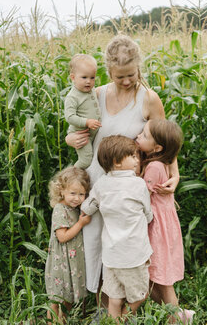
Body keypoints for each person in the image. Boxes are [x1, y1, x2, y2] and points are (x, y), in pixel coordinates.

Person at [65, 34, 180, 307]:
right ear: (109, 73)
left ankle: (129, 304)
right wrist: (70, 139)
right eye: (120, 77)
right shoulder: (96, 95)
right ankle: (100, 306)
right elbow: (76, 130)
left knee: (125, 245)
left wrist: (174, 175)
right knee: (95, 243)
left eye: (131, 74)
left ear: (138, 66)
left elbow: (166, 143)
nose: (127, 81)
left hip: (130, 189)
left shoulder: (149, 99)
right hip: (97, 182)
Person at [81, 135, 152, 323]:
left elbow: (87, 207)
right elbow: (148, 213)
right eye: (133, 156)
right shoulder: (138, 184)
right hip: (134, 255)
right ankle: (123, 319)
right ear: (117, 162)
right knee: (140, 295)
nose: (138, 159)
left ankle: (114, 321)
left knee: (114, 298)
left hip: (111, 256)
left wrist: (89, 209)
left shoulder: (102, 184)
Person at [136, 119, 195, 324]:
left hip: (156, 227)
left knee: (162, 278)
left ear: (157, 148)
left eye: (143, 136)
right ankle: (177, 314)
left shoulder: (153, 166)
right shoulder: (161, 163)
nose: (137, 137)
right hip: (164, 223)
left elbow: (143, 195)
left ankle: (176, 319)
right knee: (155, 276)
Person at [44, 166, 92, 324]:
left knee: (68, 298)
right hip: (61, 262)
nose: (77, 198)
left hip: (72, 262)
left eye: (81, 194)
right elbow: (62, 237)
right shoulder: (60, 209)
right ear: (61, 191)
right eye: (72, 193)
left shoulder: (76, 209)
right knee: (58, 299)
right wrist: (81, 223)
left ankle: (62, 322)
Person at [64, 54, 101, 169]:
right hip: (81, 135)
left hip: (92, 134)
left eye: (92, 78)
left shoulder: (92, 90)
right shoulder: (73, 97)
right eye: (84, 77)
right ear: (73, 77)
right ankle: (72, 175)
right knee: (86, 161)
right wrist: (87, 122)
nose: (88, 82)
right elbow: (69, 117)